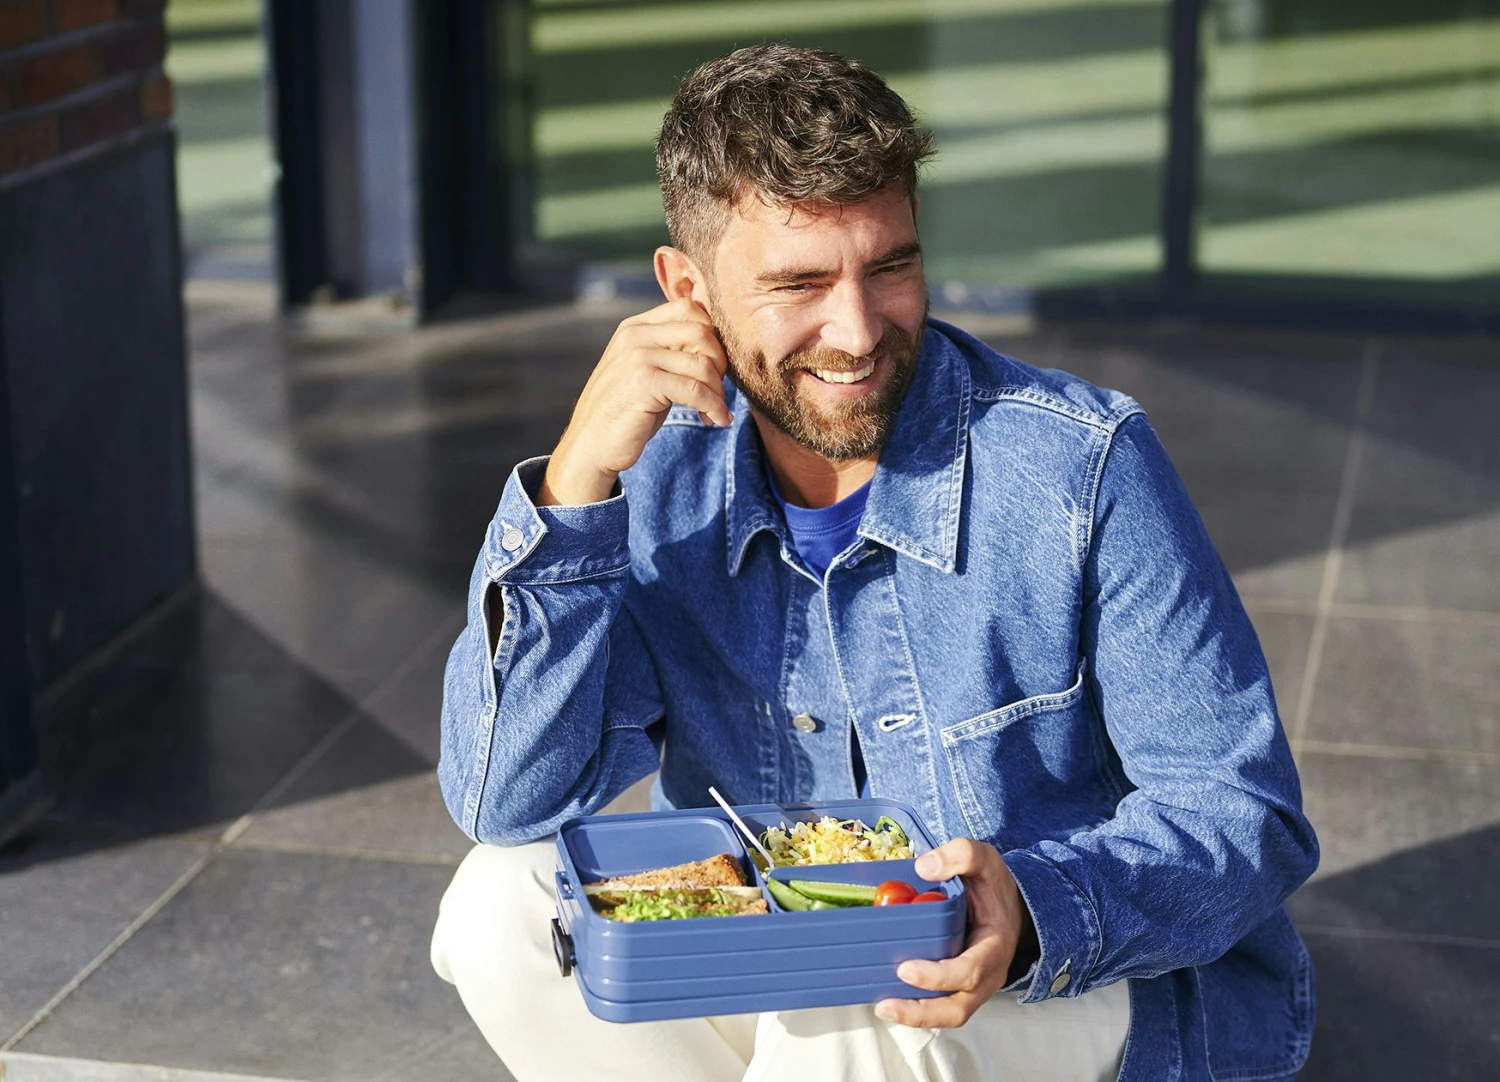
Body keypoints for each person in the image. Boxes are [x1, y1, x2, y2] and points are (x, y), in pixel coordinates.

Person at [430, 44, 1318, 1082]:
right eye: (798, 282)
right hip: (792, 957)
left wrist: (1031, 910)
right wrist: (572, 484)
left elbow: (1244, 811)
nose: (856, 331)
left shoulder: (1080, 466)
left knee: (863, 1005)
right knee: (496, 910)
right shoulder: (656, 480)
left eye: (889, 267)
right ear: (687, 289)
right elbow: (508, 800)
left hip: (1053, 979)